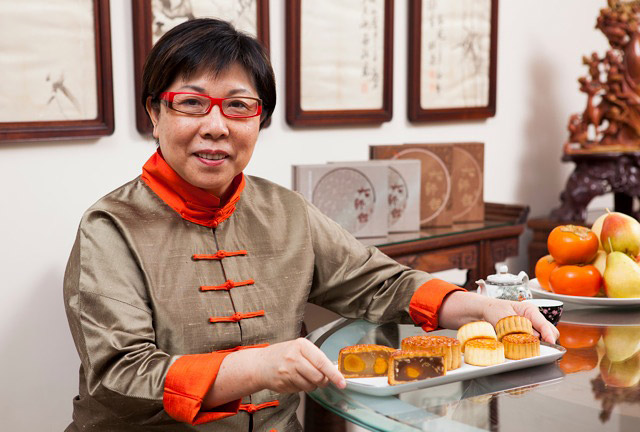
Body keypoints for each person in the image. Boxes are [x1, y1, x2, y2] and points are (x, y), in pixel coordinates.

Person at [63, 18, 558, 432]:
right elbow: (122, 372)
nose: (215, 126)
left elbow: (377, 281)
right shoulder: (111, 227)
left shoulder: (284, 210)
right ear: (155, 112)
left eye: (239, 105)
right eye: (191, 103)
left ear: (259, 120)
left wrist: (480, 306)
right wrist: (257, 366)